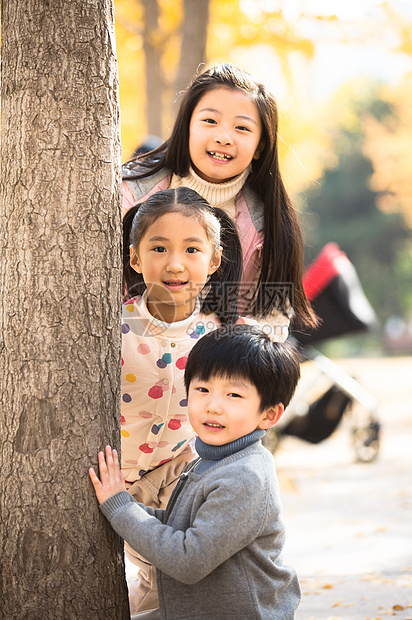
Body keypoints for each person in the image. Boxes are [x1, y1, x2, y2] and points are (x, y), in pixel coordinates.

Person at [89, 325, 301, 620]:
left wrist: (120, 507)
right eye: (202, 389)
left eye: (234, 395)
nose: (213, 406)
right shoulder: (213, 459)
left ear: (269, 414)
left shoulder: (245, 475)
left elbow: (188, 560)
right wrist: (122, 503)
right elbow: (180, 525)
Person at [122, 62, 317, 336]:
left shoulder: (268, 223)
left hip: (217, 369)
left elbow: (273, 318)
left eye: (242, 128)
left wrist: (232, 343)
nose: (224, 137)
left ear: (261, 146)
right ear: (186, 126)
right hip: (132, 359)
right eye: (210, 121)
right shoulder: (130, 194)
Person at [120, 187, 244, 612]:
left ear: (213, 260)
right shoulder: (111, 325)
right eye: (159, 248)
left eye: (192, 249)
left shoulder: (218, 333)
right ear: (135, 258)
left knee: (172, 573)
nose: (175, 264)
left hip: (177, 470)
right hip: (111, 474)